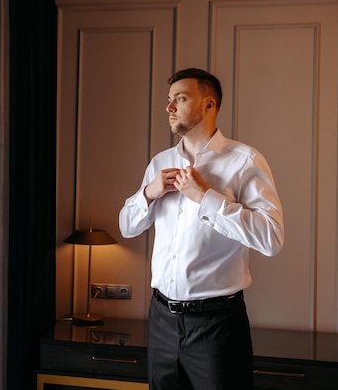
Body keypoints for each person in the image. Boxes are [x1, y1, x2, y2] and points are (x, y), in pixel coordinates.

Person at [119, 68, 284, 390]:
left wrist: (206, 198)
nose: (169, 108)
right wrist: (148, 194)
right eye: (169, 100)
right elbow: (127, 226)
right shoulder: (159, 163)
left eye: (179, 99)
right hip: (161, 318)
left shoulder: (245, 160)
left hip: (216, 323)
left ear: (209, 105)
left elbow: (271, 238)